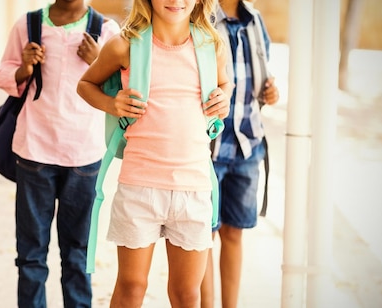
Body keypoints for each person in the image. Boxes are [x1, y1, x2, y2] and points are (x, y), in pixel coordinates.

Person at [76, 0, 232, 306]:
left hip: (193, 188)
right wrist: (112, 104)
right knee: (132, 285)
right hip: (139, 187)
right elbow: (86, 84)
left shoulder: (212, 46)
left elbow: (225, 83)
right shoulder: (125, 45)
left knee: (186, 293)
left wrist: (223, 99)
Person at [0, 1, 119, 307]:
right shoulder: (29, 24)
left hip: (84, 157)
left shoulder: (106, 30)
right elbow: (2, 74)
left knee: (77, 254)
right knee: (31, 254)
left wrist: (98, 60)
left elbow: (120, 88)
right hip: (35, 151)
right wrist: (25, 68)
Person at [200, 1, 280, 308]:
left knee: (234, 234)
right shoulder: (201, 18)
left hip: (247, 146)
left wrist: (271, 92)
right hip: (209, 148)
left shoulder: (255, 21)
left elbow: (261, 76)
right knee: (203, 237)